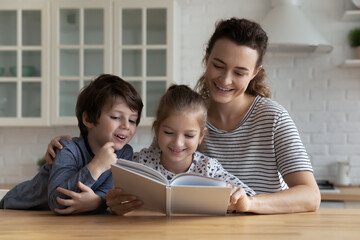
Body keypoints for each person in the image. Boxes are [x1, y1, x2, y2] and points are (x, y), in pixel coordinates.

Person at [45, 17, 321, 214]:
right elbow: (150, 175)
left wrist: (250, 204)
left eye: (239, 72)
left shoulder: (272, 117)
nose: (225, 79)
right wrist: (75, 149)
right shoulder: (187, 115)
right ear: (206, 58)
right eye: (218, 65)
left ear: (255, 73)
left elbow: (310, 195)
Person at [0, 74, 143, 215]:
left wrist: (97, 202)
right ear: (88, 119)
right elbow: (57, 202)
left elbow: (106, 193)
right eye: (116, 117)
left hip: (53, 222)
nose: (126, 126)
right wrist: (96, 166)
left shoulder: (124, 153)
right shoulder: (67, 149)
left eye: (132, 120)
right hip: (15, 209)